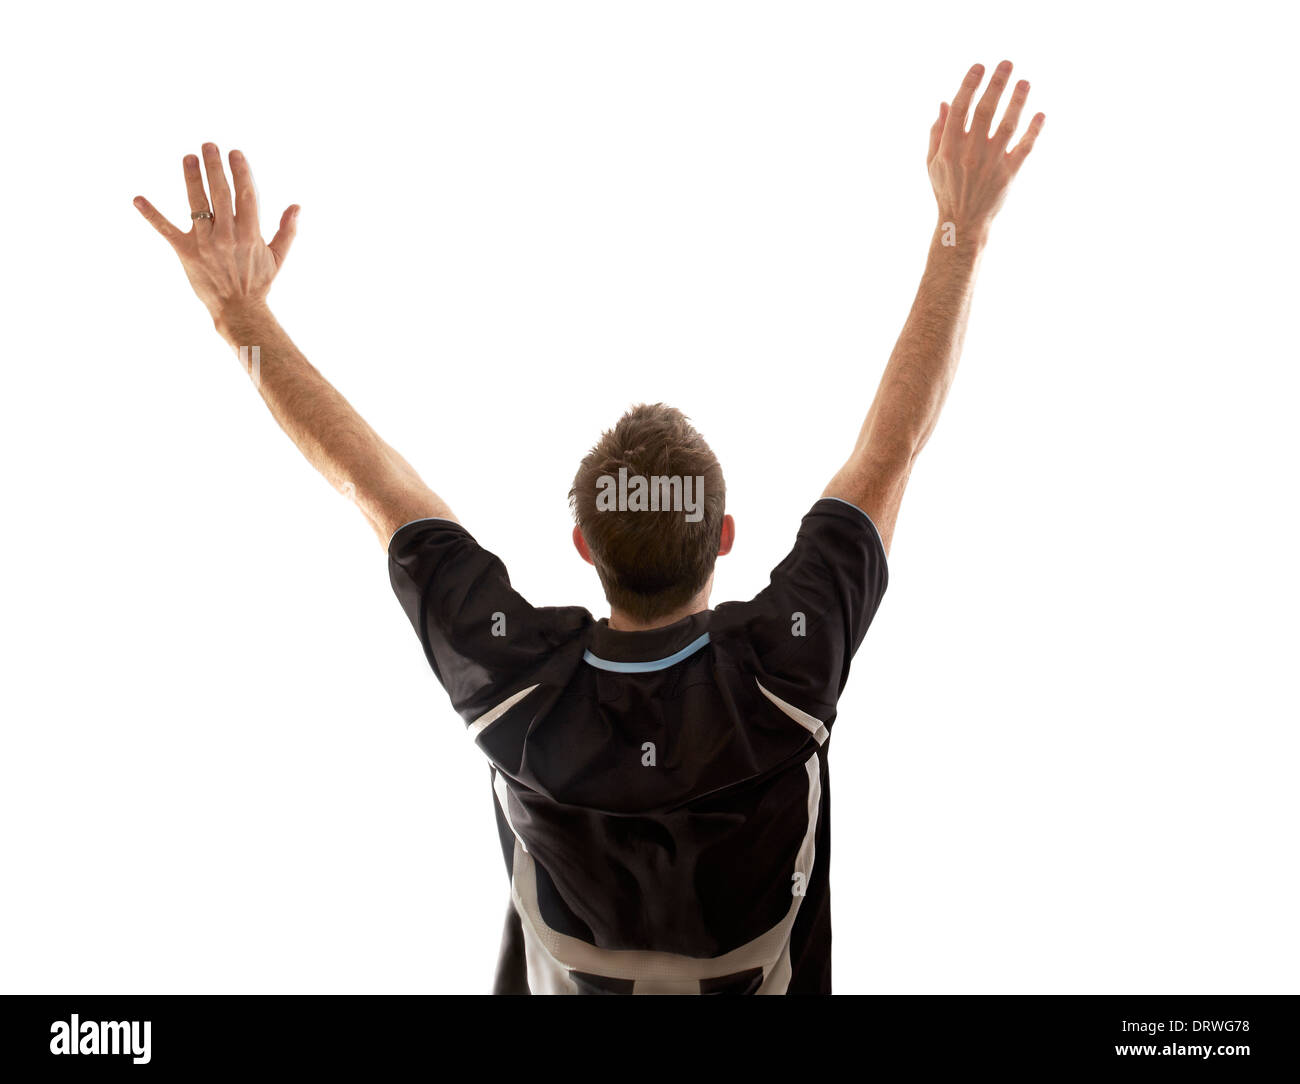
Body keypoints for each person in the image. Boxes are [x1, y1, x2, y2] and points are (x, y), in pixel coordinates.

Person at [134, 60, 1043, 994]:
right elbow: (893, 448)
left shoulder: (515, 688)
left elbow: (368, 482)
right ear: (722, 536)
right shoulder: (786, 673)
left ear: (584, 550)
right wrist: (960, 230)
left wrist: (237, 311)